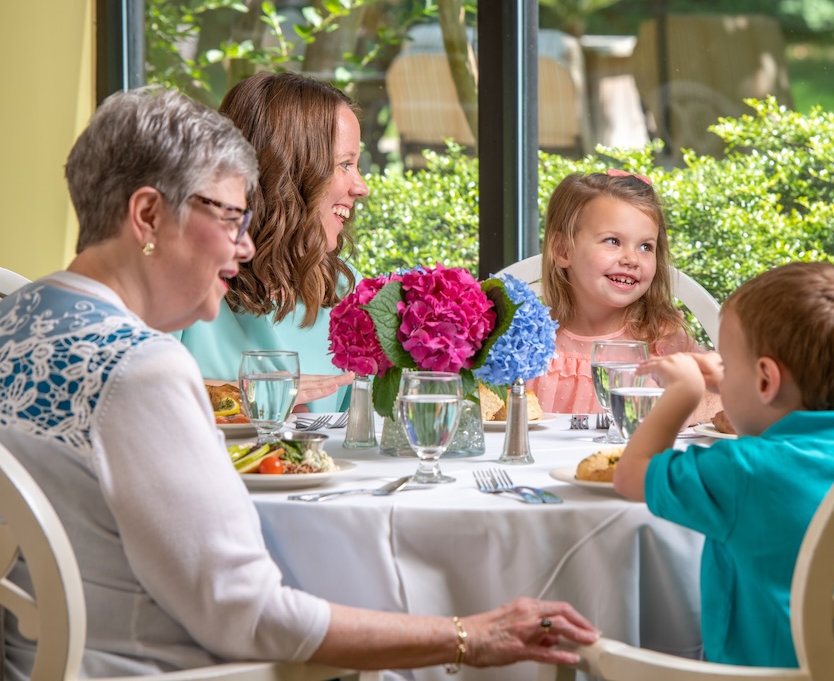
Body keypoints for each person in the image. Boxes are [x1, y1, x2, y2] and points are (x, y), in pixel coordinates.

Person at [0, 87, 598, 678]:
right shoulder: (142, 368)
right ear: (149, 216)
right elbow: (249, 614)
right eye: (231, 218)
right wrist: (468, 635)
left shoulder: (16, 318)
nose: (248, 244)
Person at [613, 261, 834, 667]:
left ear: (766, 381)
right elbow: (781, 443)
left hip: (757, 673)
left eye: (728, 364)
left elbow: (629, 476)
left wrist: (683, 392)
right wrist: (732, 381)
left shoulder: (738, 470)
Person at [177, 71, 365, 411]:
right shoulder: (180, 283)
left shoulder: (343, 287)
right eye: (345, 164)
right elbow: (135, 394)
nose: (361, 186)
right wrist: (256, 395)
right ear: (290, 171)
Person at [528, 169, 717, 423]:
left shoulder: (662, 340)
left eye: (645, 246)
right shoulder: (530, 340)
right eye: (613, 241)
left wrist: (681, 407)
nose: (631, 259)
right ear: (563, 250)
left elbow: (721, 400)